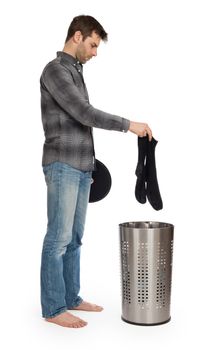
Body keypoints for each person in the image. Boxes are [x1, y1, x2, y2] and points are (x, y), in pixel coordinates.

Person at [40, 14, 152, 328]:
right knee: (57, 239)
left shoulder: (76, 72)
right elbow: (84, 113)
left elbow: (79, 122)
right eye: (92, 44)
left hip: (81, 167)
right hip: (62, 164)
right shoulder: (55, 71)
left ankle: (71, 297)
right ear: (77, 36)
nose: (94, 52)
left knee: (74, 239)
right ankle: (53, 309)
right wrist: (129, 125)